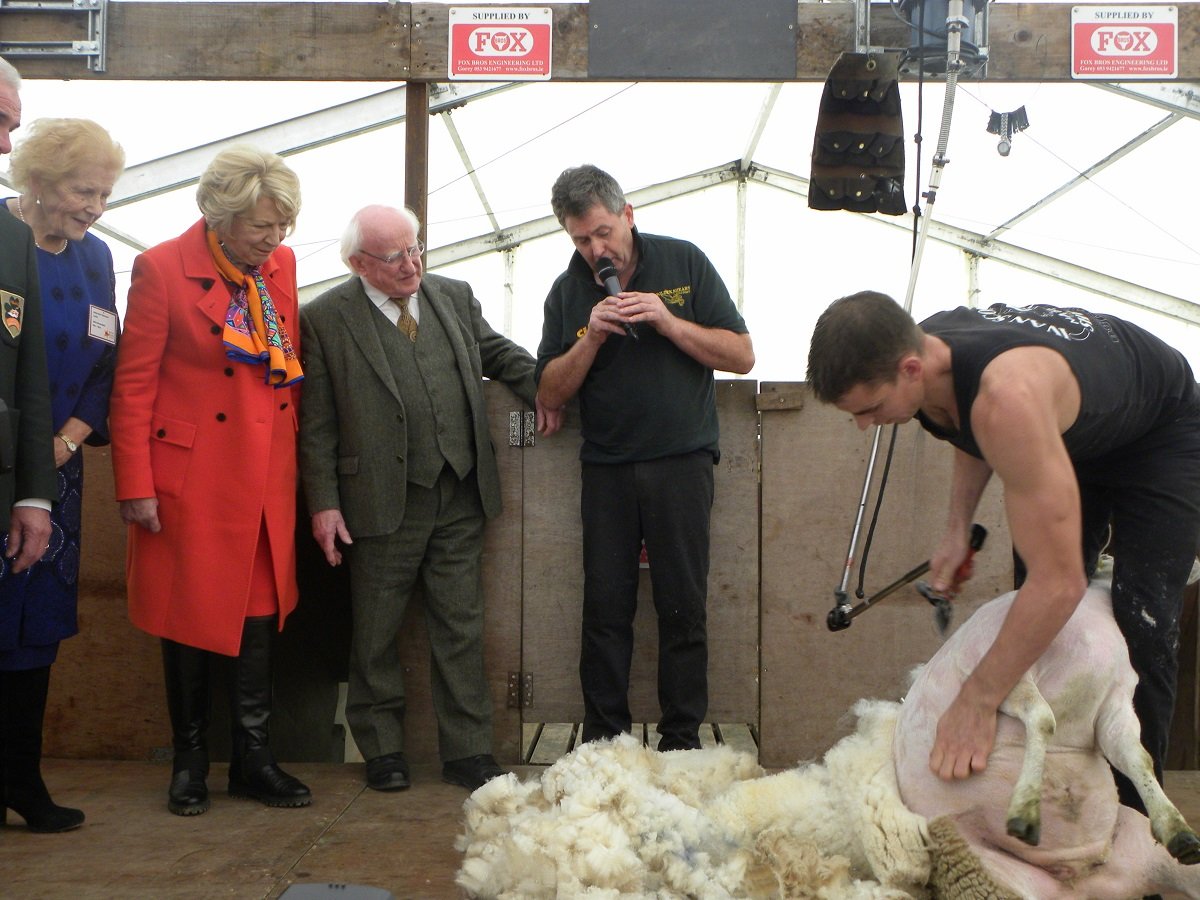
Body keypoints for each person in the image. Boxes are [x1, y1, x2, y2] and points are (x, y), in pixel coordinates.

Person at [806, 290, 1200, 806]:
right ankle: (1063, 790)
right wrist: (956, 528)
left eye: (871, 408)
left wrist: (977, 700)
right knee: (1036, 623)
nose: (863, 425)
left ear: (910, 368)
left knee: (1139, 620)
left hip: (1159, 429)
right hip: (1070, 426)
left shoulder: (1006, 398)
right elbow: (969, 428)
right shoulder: (928, 361)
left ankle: (1135, 819)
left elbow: (1059, 586)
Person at [299, 205, 558, 793]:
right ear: (358, 263)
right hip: (378, 500)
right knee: (375, 631)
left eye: (416, 248)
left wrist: (548, 387)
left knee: (460, 626)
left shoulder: (453, 295)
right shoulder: (322, 319)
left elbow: (498, 353)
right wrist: (324, 503)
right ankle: (383, 750)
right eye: (394, 257)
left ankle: (468, 752)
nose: (411, 264)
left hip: (460, 492)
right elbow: (315, 423)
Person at [109, 146, 311, 816]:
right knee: (186, 615)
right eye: (261, 226)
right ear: (219, 217)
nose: (274, 240)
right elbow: (133, 387)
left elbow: (291, 365)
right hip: (188, 479)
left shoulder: (279, 266)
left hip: (264, 474)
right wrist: (135, 483)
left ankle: (253, 758)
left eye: (282, 225)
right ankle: (190, 760)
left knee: (258, 612)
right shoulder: (160, 269)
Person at [535, 164, 755, 751]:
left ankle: (680, 739)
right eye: (581, 239)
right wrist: (592, 336)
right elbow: (550, 391)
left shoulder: (684, 262)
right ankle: (606, 743)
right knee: (605, 610)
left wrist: (667, 319)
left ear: (628, 214)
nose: (595, 249)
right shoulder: (567, 290)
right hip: (606, 467)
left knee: (683, 606)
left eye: (603, 232)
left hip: (682, 460)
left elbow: (741, 355)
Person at [0, 61, 80, 833]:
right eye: (82, 189)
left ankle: (21, 777)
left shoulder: (79, 256)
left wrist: (57, 449)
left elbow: (96, 359)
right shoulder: (12, 230)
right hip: (26, 458)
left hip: (48, 471)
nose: (94, 206)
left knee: (36, 628)